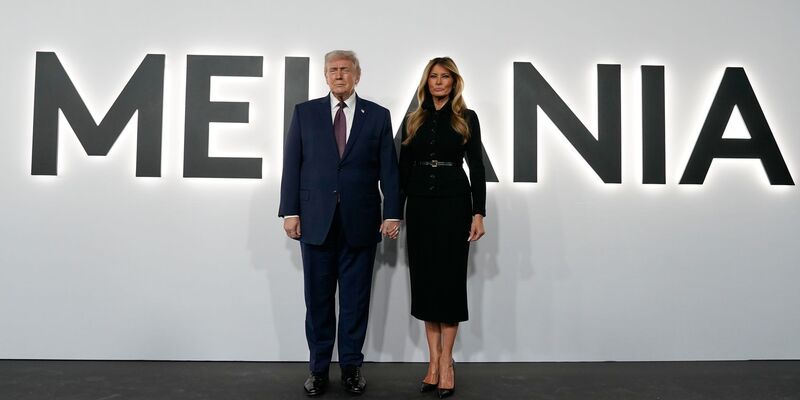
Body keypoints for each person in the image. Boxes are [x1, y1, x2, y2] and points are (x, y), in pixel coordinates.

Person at [279, 50, 401, 397]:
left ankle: (351, 368)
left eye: (345, 69)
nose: (338, 75)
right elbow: (292, 164)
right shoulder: (305, 113)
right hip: (315, 222)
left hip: (360, 222)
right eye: (332, 70)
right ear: (325, 75)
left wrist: (392, 213)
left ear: (357, 75)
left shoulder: (377, 116)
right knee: (318, 302)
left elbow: (389, 168)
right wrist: (290, 211)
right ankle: (318, 370)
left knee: (355, 301)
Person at [399, 57, 486, 399]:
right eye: (433, 76)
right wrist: (394, 212)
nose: (438, 82)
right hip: (420, 204)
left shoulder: (467, 118)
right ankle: (432, 361)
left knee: (449, 282)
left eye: (444, 77)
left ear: (454, 82)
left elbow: (477, 166)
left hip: (454, 204)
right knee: (425, 281)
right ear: (427, 82)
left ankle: (447, 362)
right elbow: (403, 167)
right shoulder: (413, 119)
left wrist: (478, 212)